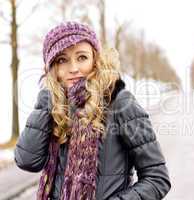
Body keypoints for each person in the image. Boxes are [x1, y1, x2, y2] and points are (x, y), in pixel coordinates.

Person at [14, 21, 171, 200]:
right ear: (52, 68)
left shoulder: (120, 102)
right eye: (62, 60)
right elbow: (27, 160)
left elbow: (157, 178)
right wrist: (46, 99)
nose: (73, 68)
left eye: (82, 57)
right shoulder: (55, 106)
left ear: (95, 59)